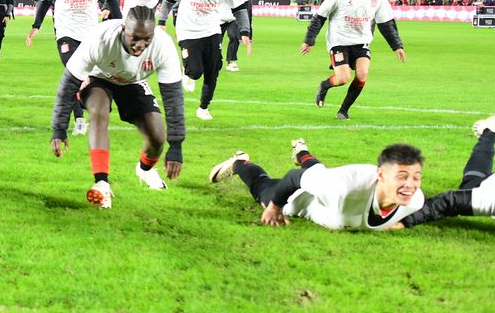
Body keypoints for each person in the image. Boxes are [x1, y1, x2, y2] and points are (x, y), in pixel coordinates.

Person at [209, 119, 495, 229]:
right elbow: (294, 180)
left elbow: (434, 207)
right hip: (301, 198)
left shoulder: (415, 201)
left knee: (317, 170)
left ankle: (301, 152)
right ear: (381, 175)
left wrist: (404, 225)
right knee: (263, 188)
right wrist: (275, 206)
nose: (410, 185)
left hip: (326, 183)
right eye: (402, 177)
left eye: (416, 177)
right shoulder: (343, 187)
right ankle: (239, 162)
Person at [48, 7, 186, 209]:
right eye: (134, 38)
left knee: (157, 136)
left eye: (146, 39)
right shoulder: (101, 38)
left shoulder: (163, 46)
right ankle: (101, 182)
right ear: (123, 29)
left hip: (133, 83)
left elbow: (173, 97)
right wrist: (59, 128)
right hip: (98, 77)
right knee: (98, 111)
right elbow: (68, 83)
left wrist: (176, 146)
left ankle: (145, 169)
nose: (140, 45)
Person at [25, 0, 119, 134]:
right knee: (75, 73)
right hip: (65, 33)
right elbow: (44, 1)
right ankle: (79, 120)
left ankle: (88, 111)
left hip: (91, 34)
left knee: (92, 77)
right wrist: (36, 25)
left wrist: (118, 25)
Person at [302, 0, 407, 120]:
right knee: (343, 78)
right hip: (339, 41)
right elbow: (320, 16)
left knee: (362, 75)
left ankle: (343, 111)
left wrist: (397, 46)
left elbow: (386, 23)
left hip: (361, 42)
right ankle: (324, 86)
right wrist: (309, 40)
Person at [158, 0, 251, 121]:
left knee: (214, 69)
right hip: (188, 30)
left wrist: (245, 31)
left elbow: (240, 8)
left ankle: (203, 107)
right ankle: (187, 71)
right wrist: (162, 21)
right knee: (196, 72)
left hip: (211, 29)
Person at [223, 0, 252, 72]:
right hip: (217, 18)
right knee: (214, 41)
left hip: (233, 17)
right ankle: (214, 60)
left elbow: (243, 5)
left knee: (234, 37)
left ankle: (231, 61)